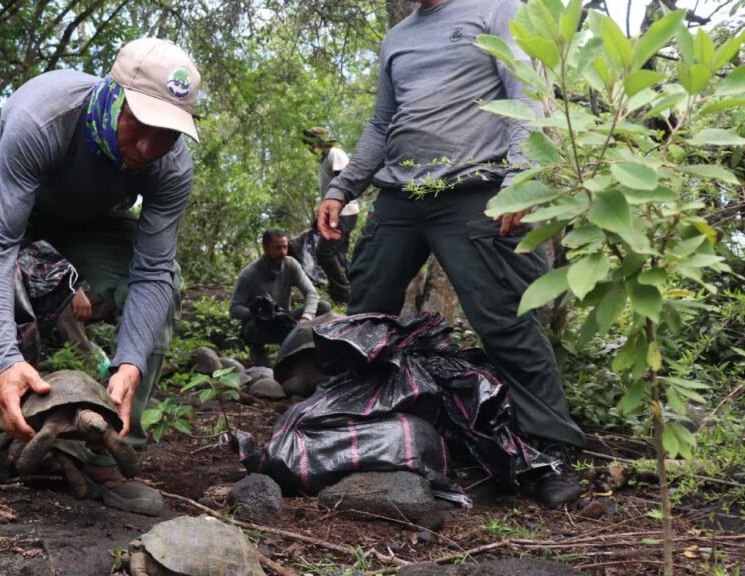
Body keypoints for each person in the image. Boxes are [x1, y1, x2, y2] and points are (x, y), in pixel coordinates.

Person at [315, 0, 586, 508]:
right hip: (401, 197)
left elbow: (526, 96)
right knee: (364, 316)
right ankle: (347, 432)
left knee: (505, 319)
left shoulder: (499, 11)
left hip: (476, 191)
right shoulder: (397, 37)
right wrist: (342, 188)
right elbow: (381, 125)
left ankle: (549, 452)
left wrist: (523, 182)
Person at [0, 38, 199, 516]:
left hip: (93, 218)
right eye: (139, 125)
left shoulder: (171, 164)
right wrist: (4, 359)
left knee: (170, 281)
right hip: (6, 195)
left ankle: (109, 445)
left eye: (166, 134)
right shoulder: (43, 117)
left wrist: (132, 360)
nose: (147, 148)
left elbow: (153, 269)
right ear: (112, 96)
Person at [230, 229, 330, 366]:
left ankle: (316, 349)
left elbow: (311, 293)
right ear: (265, 248)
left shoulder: (290, 264)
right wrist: (255, 312)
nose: (283, 252)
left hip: (285, 319)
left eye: (285, 247)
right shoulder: (249, 274)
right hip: (259, 325)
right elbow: (234, 309)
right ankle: (260, 353)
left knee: (323, 307)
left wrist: (306, 317)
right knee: (262, 328)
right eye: (277, 248)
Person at [303, 127, 357, 305]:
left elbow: (342, 180)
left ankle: (345, 295)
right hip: (333, 212)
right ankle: (348, 294)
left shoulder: (335, 153)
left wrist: (329, 214)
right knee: (338, 255)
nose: (310, 146)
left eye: (311, 142)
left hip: (343, 211)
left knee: (324, 252)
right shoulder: (325, 157)